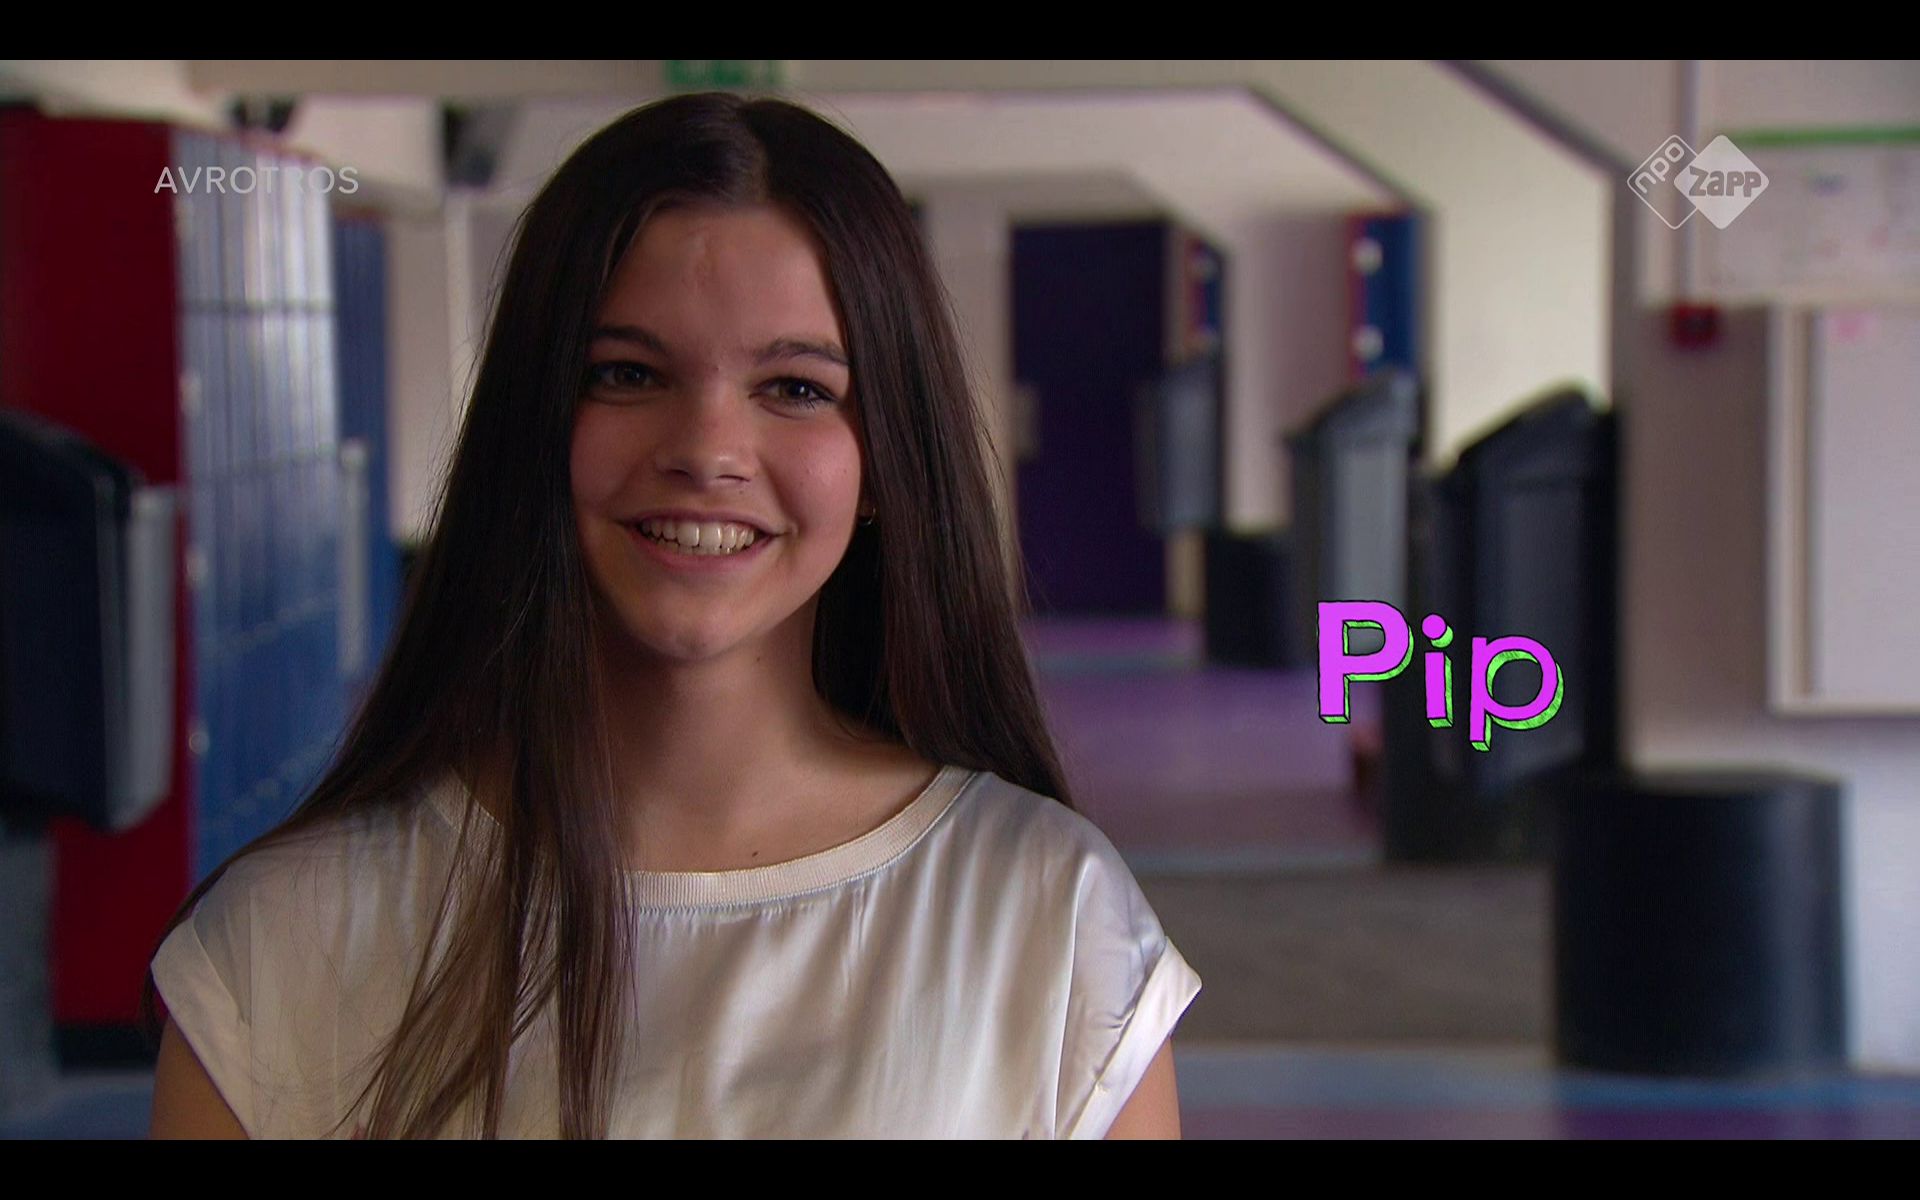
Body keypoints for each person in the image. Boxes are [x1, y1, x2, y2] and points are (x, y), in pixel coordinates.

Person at [144, 92, 1201, 1140]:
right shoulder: (283, 940)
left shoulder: (1050, 919)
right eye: (628, 374)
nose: (706, 449)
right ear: (535, 424)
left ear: (882, 458)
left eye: (795, 388)